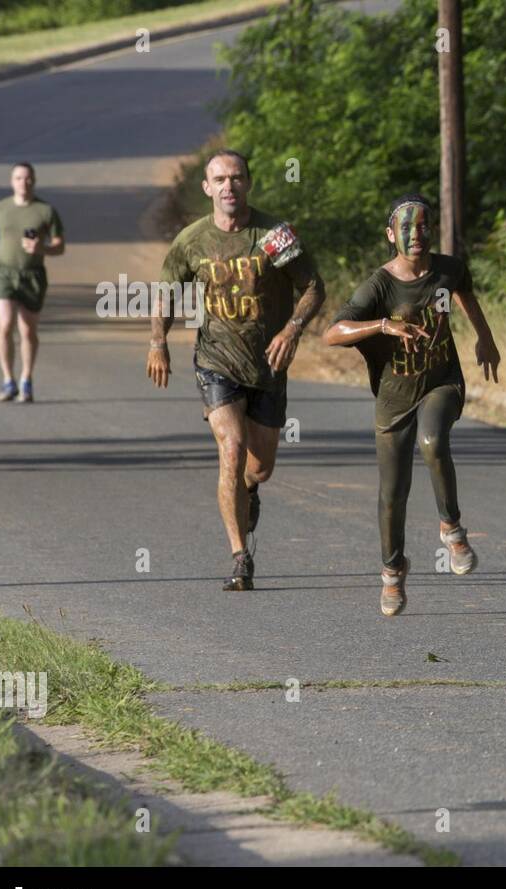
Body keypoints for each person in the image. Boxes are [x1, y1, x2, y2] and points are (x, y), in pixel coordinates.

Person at [147, 149, 325, 590]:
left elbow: (313, 288)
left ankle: (249, 491)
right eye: (220, 179)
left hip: (268, 363)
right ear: (207, 188)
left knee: (258, 467)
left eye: (236, 178)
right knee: (231, 446)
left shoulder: (274, 235)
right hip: (216, 361)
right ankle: (239, 556)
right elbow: (166, 293)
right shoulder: (191, 240)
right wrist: (158, 342)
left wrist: (292, 329)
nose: (229, 186)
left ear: (248, 183)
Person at [323, 194, 501, 617]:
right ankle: (393, 572)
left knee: (433, 439)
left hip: (442, 381)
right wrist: (383, 324)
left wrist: (485, 336)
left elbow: (464, 294)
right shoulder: (379, 285)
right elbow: (333, 333)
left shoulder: (448, 268)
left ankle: (452, 528)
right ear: (391, 235)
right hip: (393, 396)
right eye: (406, 228)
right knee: (392, 494)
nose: (416, 235)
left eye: (423, 227)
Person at [0, 162, 64, 402]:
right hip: (3, 272)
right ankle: (8, 379)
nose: (23, 183)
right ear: (11, 181)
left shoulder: (45, 211)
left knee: (28, 330)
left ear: (34, 181)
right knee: (5, 324)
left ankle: (26, 379)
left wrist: (42, 248)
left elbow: (60, 245)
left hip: (32, 275)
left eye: (27, 178)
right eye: (18, 178)